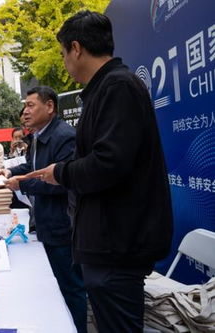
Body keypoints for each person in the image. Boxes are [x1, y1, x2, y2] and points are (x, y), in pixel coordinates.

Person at [27, 10, 173, 333]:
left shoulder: (117, 87)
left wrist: (60, 172)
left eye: (64, 53)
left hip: (117, 246)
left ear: (76, 48)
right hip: (106, 244)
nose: (65, 61)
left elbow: (109, 163)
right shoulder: (106, 88)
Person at [0, 86, 87, 332]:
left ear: (50, 107)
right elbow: (32, 166)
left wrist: (23, 184)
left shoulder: (64, 136)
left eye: (30, 105)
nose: (24, 112)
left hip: (63, 224)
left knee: (71, 287)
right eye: (24, 106)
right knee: (57, 284)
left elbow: (62, 181)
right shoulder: (38, 135)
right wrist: (11, 171)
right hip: (47, 221)